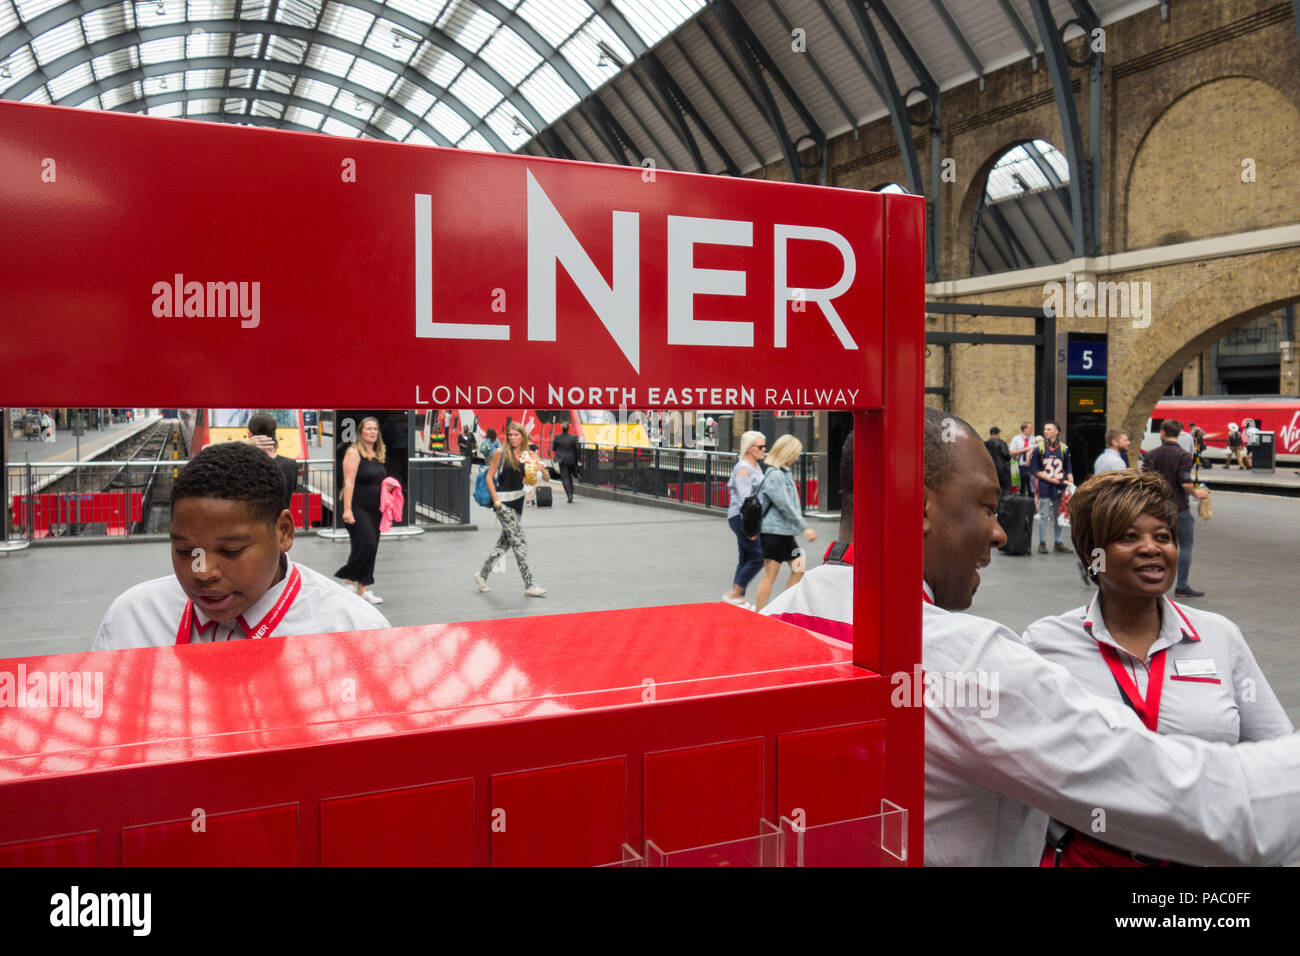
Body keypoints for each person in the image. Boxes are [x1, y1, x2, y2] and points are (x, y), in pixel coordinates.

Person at [763, 407, 1300, 866]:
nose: (999, 532)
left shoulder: (772, 622)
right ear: (919, 508)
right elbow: (1220, 808)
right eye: (988, 506)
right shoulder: (971, 659)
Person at [1024, 470, 1293, 865]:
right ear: (1091, 554)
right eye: (1129, 536)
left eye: (1163, 536)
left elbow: (1278, 749)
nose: (1152, 548)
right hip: (1091, 856)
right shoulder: (1045, 644)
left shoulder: (1220, 636)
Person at [93, 443, 388, 649]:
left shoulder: (354, 631)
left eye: (230, 551)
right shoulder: (131, 619)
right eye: (185, 551)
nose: (203, 571)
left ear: (284, 532)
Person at [475, 421, 547, 597]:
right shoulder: (501, 453)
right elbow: (489, 478)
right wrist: (496, 502)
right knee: (519, 542)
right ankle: (529, 585)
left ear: (523, 436)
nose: (513, 438)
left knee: (504, 544)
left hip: (518, 503)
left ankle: (481, 574)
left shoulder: (528, 454)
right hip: (503, 505)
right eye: (510, 435)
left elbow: (544, 478)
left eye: (516, 434)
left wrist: (540, 468)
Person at [1142, 418, 1210, 598]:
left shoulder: (1151, 455)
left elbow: (1144, 483)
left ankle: (1154, 581)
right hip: (1179, 509)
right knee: (1185, 546)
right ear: (1179, 435)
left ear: (1162, 433)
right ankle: (1181, 586)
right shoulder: (1184, 456)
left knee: (1157, 546)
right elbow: (1185, 483)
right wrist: (1199, 494)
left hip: (1155, 510)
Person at [753, 435, 817, 611]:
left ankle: (782, 608)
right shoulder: (775, 475)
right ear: (786, 453)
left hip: (785, 533)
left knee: (799, 568)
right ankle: (760, 613)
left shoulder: (783, 473)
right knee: (770, 575)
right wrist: (805, 528)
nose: (796, 458)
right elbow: (785, 506)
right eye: (794, 454)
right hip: (774, 533)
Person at [335, 416, 387, 605]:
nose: (372, 431)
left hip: (376, 509)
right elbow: (348, 482)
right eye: (369, 428)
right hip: (357, 506)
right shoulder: (354, 452)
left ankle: (362, 588)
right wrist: (347, 509)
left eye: (375, 428)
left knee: (368, 546)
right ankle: (349, 581)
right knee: (367, 544)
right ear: (361, 432)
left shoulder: (377, 453)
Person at [721, 430, 766, 608]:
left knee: (746, 556)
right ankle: (735, 593)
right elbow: (744, 499)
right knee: (758, 557)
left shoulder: (754, 465)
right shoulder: (743, 468)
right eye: (761, 447)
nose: (764, 450)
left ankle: (737, 598)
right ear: (749, 449)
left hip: (747, 518)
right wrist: (751, 528)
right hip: (743, 518)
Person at [1029, 421, 1073, 554]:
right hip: (1044, 486)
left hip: (1059, 487)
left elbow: (1068, 467)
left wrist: (1070, 477)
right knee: (1043, 515)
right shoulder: (1039, 449)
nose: (1046, 431)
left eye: (1049, 429)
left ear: (1056, 432)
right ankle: (1042, 542)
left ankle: (1058, 542)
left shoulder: (1064, 448)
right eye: (1045, 429)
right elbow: (1035, 470)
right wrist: (1051, 479)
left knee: (1058, 515)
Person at [247, 412, 299, 512]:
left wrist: (243, 443)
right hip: (280, 524)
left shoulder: (244, 465)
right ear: (274, 434)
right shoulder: (291, 465)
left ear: (249, 434)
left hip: (254, 525)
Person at [551, 422, 580, 504]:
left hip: (561, 460)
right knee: (570, 477)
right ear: (568, 429)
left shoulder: (557, 437)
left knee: (564, 477)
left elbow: (553, 448)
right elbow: (577, 449)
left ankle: (569, 494)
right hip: (571, 459)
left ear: (561, 428)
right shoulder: (574, 437)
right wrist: (578, 459)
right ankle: (571, 492)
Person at [1007, 421, 1034, 496]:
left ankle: (1032, 506)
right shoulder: (1016, 439)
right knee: (1019, 489)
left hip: (1031, 466)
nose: (1032, 430)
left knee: (1031, 488)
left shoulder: (1034, 439)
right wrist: (1024, 449)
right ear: (1025, 429)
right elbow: (1011, 452)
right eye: (1030, 428)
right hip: (1019, 466)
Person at [984, 426, 1011, 494]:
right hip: (1003, 470)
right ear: (998, 434)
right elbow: (1006, 455)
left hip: (991, 469)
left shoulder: (985, 444)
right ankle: (1004, 503)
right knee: (1005, 489)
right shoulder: (1002, 443)